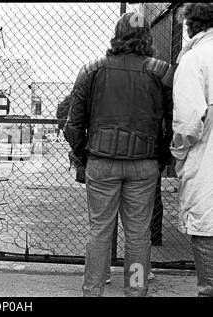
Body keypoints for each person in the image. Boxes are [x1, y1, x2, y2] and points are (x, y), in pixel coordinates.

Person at [64, 12, 173, 296]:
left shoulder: (92, 69)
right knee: (138, 233)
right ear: (147, 36)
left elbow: (73, 123)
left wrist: (83, 155)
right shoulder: (162, 71)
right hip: (143, 165)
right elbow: (175, 122)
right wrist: (160, 157)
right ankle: (135, 290)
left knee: (99, 230)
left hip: (101, 162)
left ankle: (93, 290)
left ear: (117, 34)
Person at [170, 3, 213, 297]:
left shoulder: (194, 58)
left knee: (206, 224)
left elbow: (187, 123)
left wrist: (178, 152)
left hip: (207, 158)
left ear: (190, 26)